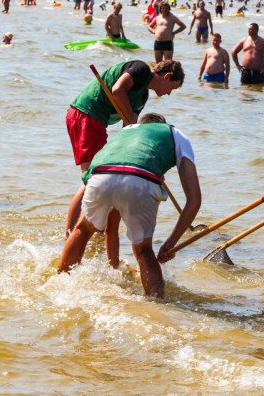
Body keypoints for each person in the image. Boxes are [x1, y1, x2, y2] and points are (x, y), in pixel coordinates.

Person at [58, 113, 201, 297]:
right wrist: (170, 244)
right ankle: (158, 305)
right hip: (141, 179)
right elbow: (194, 200)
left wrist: (114, 264)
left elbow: (111, 224)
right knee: (143, 250)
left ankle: (59, 284)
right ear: (161, 125)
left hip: (101, 175)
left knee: (82, 230)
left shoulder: (126, 131)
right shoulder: (176, 133)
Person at [64, 60, 185, 243]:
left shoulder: (142, 96)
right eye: (172, 88)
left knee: (96, 177)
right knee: (90, 179)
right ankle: (71, 234)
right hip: (87, 115)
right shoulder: (141, 69)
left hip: (97, 122)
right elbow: (117, 90)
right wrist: (130, 120)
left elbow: (129, 130)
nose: (168, 93)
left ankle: (89, 232)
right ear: (167, 76)